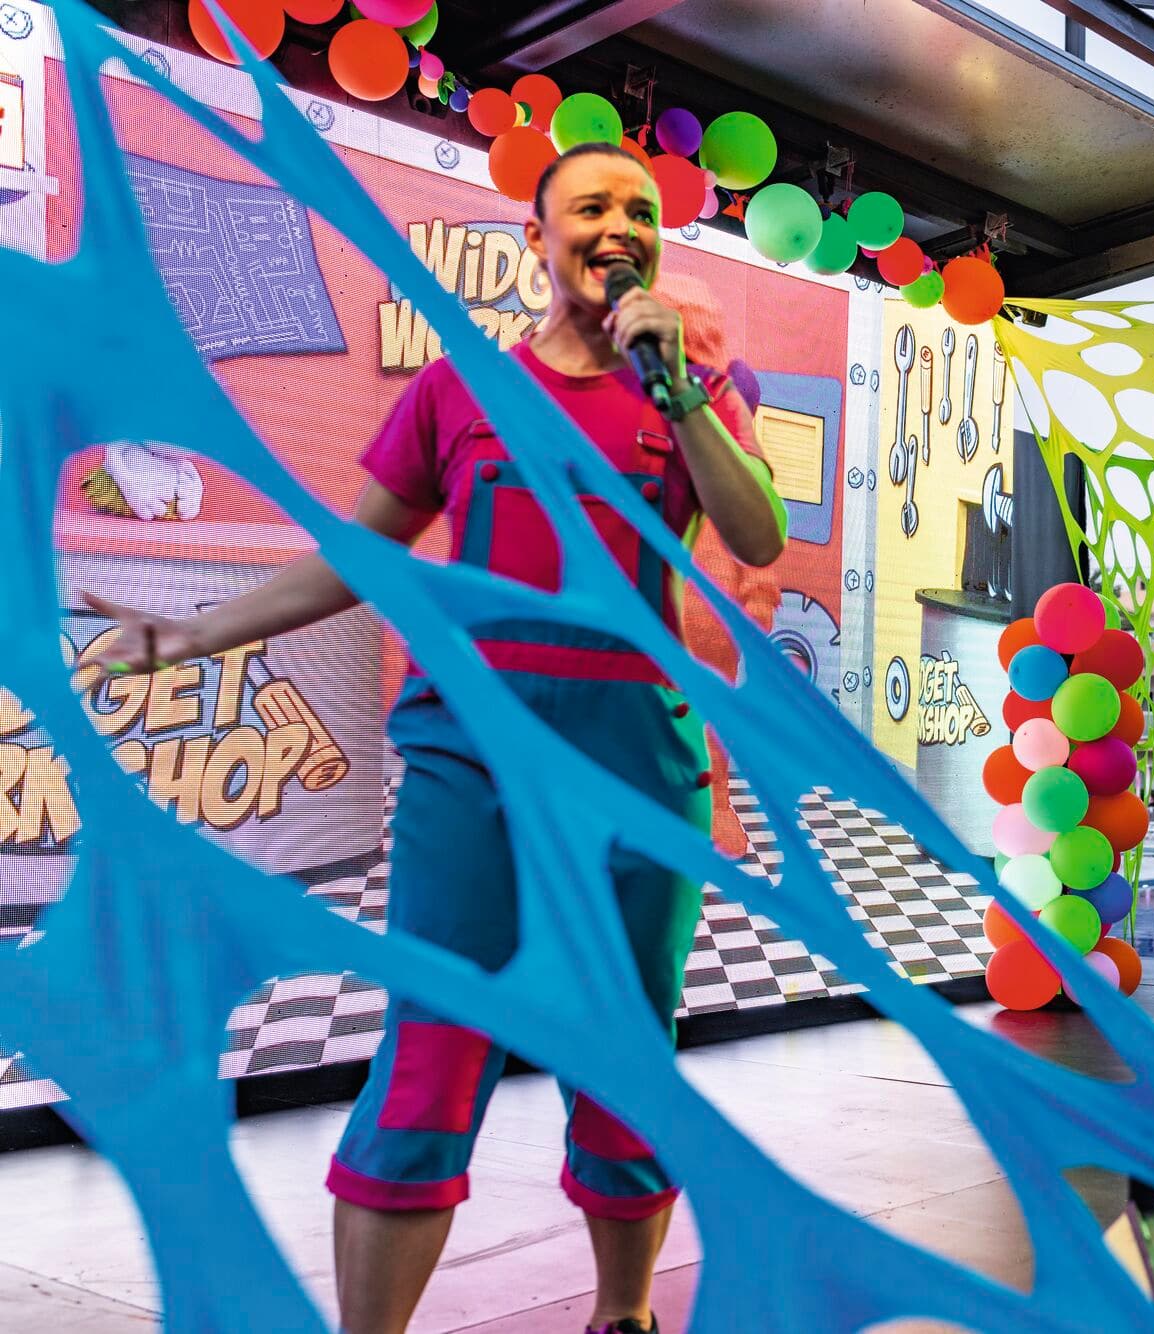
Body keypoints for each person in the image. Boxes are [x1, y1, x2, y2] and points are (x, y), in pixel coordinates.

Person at [83, 142, 787, 1334]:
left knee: (623, 1059)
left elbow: (757, 535)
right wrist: (187, 634)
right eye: (591, 206)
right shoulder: (459, 389)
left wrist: (675, 385)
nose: (620, 226)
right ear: (535, 238)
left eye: (642, 209)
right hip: (476, 762)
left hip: (638, 764)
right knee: (432, 1052)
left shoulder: (698, 389)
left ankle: (623, 1316)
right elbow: (359, 554)